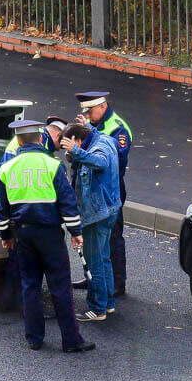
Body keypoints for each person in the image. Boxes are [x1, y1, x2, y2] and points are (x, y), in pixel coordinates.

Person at [0, 120, 95, 353]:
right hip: (50, 235)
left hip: (23, 234)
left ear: (19, 141)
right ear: (40, 139)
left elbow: (2, 208)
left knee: (30, 285)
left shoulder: (7, 169)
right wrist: (76, 232)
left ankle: (34, 338)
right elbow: (68, 203)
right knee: (60, 287)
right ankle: (71, 341)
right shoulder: (52, 165)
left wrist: (6, 235)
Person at [0, 116, 68, 311]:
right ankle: (17, 304)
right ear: (55, 135)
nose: (63, 148)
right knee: (22, 265)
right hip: (26, 216)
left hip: (18, 213)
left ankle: (13, 303)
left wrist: (4, 229)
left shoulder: (31, 139)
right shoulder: (38, 146)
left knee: (21, 263)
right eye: (63, 142)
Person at [72, 92, 133, 297]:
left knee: (112, 236)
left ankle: (117, 282)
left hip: (109, 189)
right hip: (91, 187)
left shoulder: (118, 128)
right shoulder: (95, 125)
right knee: (89, 234)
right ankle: (93, 277)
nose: (87, 116)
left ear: (102, 106)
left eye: (90, 112)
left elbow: (115, 160)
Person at [59, 123, 121, 322]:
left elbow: (100, 162)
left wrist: (75, 151)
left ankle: (97, 309)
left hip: (97, 215)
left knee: (94, 262)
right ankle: (108, 304)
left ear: (77, 140)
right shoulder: (100, 139)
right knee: (103, 259)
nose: (68, 155)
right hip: (109, 210)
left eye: (69, 147)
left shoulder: (96, 148)